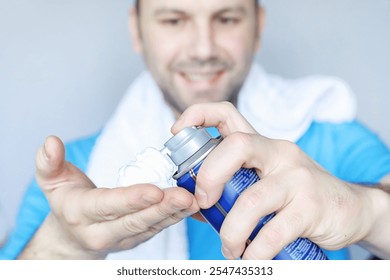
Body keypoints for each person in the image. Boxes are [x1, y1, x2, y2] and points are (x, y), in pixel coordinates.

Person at [1, 0, 390, 260]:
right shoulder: (76, 178)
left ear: (258, 26)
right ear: (137, 30)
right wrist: (64, 245)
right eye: (174, 20)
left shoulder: (333, 139)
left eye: (227, 18)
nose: (203, 49)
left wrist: (368, 210)